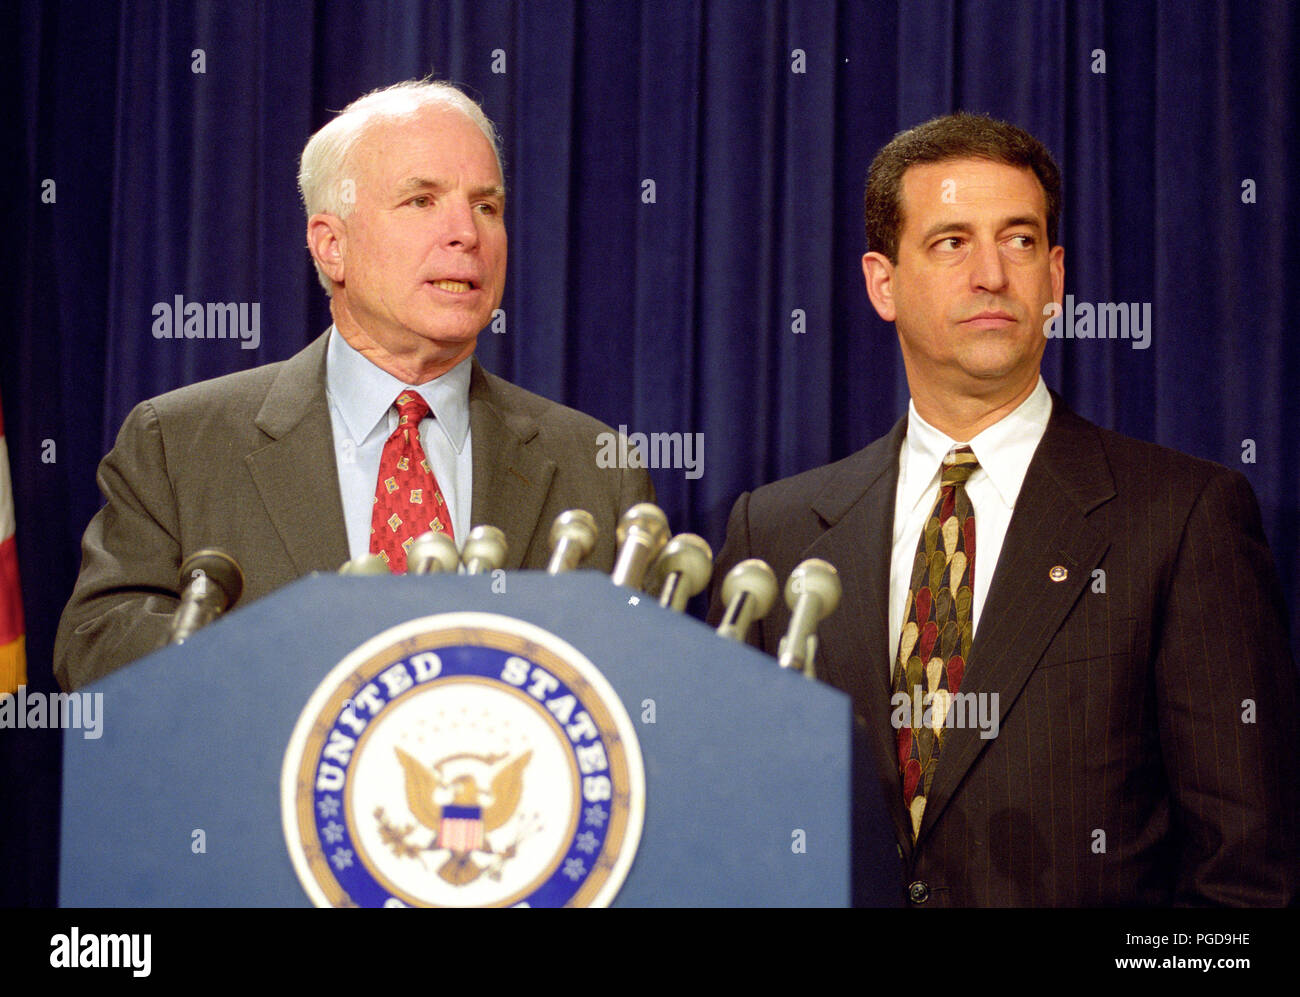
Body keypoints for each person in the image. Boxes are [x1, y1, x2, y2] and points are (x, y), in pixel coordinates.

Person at [710, 112, 1299, 906]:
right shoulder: (774, 533)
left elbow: (1244, 880)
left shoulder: (1184, 518)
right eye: (952, 242)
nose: (992, 273)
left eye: (1019, 241)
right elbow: (727, 836)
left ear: (1055, 278)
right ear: (882, 283)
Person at [55, 80, 653, 691]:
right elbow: (97, 650)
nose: (466, 235)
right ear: (331, 245)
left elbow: (644, 694)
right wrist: (300, 661)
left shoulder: (597, 468)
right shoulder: (178, 444)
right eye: (422, 201)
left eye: (486, 207)